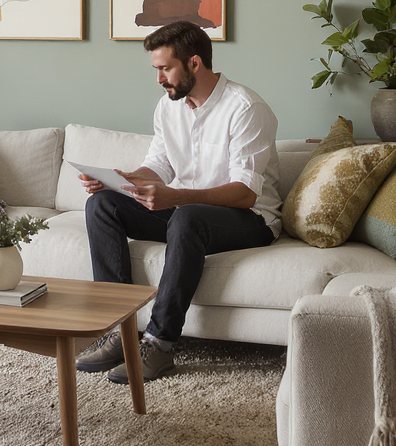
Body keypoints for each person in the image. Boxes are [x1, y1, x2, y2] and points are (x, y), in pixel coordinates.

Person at [75, 20, 281, 384]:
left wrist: (176, 196)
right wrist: (123, 179)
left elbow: (245, 192)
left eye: (164, 68)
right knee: (102, 204)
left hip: (248, 218)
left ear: (194, 64)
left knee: (186, 217)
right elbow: (159, 165)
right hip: (186, 212)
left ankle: (159, 345)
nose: (159, 79)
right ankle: (119, 334)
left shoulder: (246, 108)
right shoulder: (168, 107)